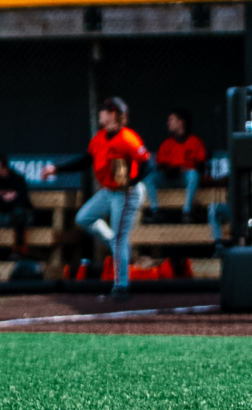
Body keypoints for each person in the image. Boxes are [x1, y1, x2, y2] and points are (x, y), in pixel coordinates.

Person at [74, 97, 149, 300]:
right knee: (82, 218)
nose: (100, 114)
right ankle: (113, 242)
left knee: (120, 238)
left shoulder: (127, 138)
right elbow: (86, 159)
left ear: (114, 114)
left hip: (127, 194)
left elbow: (146, 162)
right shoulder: (100, 137)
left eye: (105, 111)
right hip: (109, 191)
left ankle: (121, 286)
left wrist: (133, 181)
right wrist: (56, 168)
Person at [152, 109, 207, 221]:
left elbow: (201, 166)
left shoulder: (195, 141)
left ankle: (187, 212)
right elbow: (160, 166)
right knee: (150, 177)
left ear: (181, 122)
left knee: (193, 174)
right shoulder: (167, 143)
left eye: (171, 119)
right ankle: (155, 211)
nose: (168, 123)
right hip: (169, 179)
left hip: (186, 180)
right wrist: (176, 169)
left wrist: (187, 169)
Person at [0, 157, 35, 258]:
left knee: (19, 212)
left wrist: (8, 197)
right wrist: (3, 197)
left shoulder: (17, 179)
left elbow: (23, 201)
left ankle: (19, 248)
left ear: (4, 168)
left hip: (18, 216)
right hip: (0, 215)